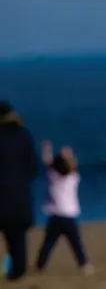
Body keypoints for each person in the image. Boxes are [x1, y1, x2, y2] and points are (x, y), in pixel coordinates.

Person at [35, 141, 94, 275]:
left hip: (55, 216)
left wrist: (47, 151)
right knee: (76, 244)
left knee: (48, 243)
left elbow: (48, 163)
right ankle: (84, 265)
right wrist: (68, 155)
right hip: (68, 216)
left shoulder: (53, 177)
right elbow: (72, 165)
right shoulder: (73, 178)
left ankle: (40, 265)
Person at [0, 101, 39, 281]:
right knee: (18, 236)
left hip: (3, 194)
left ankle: (14, 269)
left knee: (10, 234)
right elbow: (33, 168)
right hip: (19, 195)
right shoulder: (23, 135)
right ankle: (18, 270)